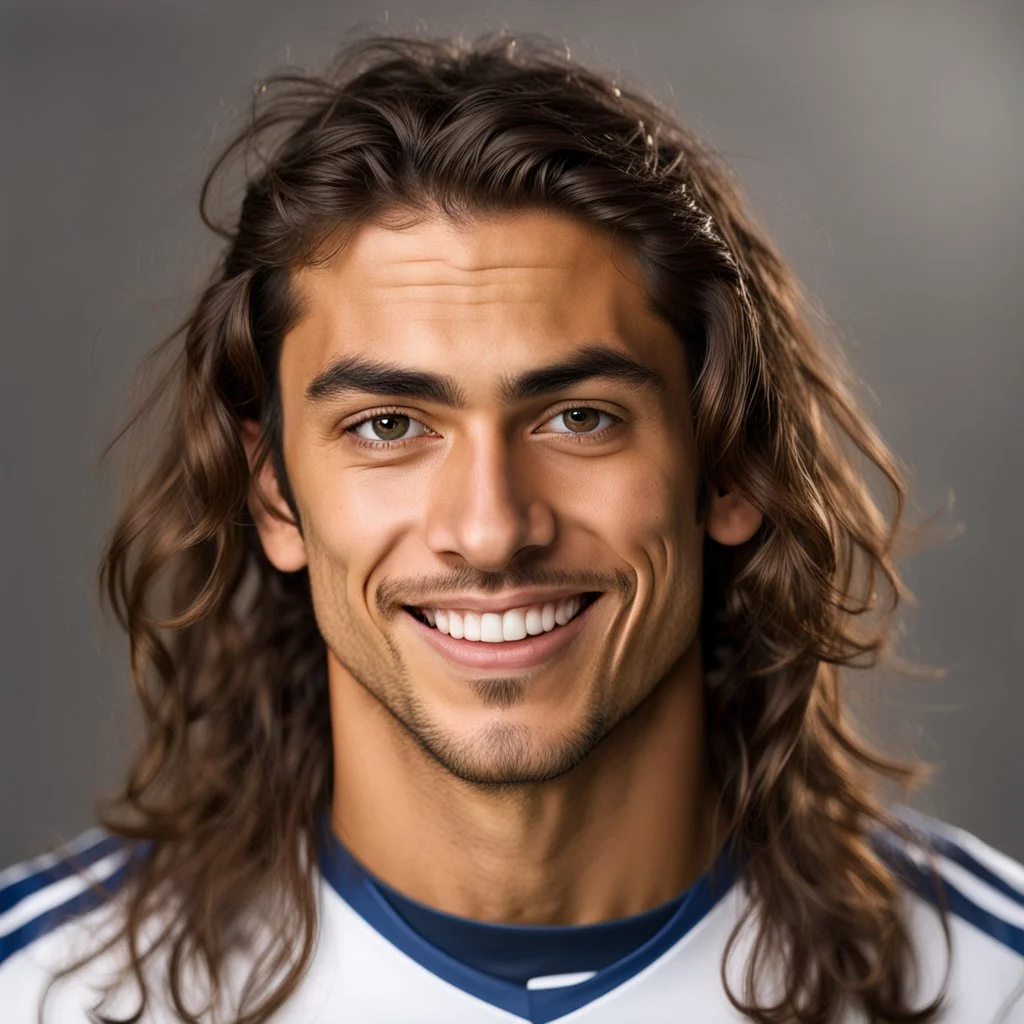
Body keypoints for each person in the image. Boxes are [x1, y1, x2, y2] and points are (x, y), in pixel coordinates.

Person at [1, 31, 1021, 1024]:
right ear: (274, 496)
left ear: (728, 464)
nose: (489, 530)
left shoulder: (993, 986)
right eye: (387, 425)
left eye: (579, 417)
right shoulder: (40, 992)